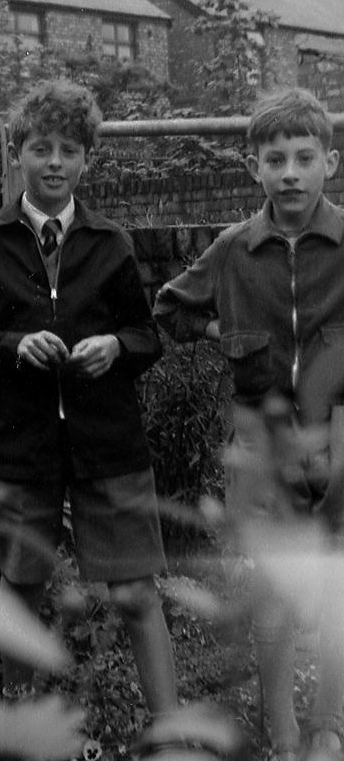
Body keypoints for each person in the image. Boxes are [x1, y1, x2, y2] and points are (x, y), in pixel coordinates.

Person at [0, 80, 178, 736]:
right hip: (22, 449)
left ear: (86, 160)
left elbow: (146, 336)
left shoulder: (110, 243)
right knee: (21, 591)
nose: (53, 161)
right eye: (39, 147)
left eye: (67, 150)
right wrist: (15, 345)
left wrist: (115, 345)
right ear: (17, 153)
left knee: (135, 593)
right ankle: (24, 736)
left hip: (109, 445)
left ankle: (170, 736)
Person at [154, 87, 344, 761]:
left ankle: (328, 722)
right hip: (258, 434)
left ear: (329, 160)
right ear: (252, 167)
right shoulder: (235, 247)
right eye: (274, 159)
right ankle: (281, 728)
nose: (288, 171)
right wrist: (224, 332)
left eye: (302, 156)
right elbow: (168, 310)